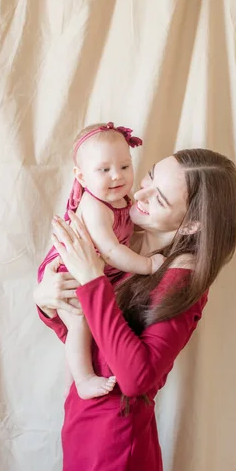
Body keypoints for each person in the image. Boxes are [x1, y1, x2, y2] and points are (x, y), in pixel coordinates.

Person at [34, 148, 236, 471]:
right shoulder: (132, 246)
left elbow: (136, 377)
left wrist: (93, 278)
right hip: (84, 431)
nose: (139, 195)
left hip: (115, 453)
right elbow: (96, 339)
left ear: (193, 225)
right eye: (148, 178)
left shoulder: (184, 277)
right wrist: (48, 299)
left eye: (159, 198)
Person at [39, 122, 164, 400]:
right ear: (81, 177)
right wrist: (147, 265)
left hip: (94, 272)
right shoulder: (95, 207)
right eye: (104, 170)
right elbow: (110, 251)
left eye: (124, 166)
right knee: (80, 323)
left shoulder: (120, 199)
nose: (116, 176)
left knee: (102, 319)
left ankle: (85, 374)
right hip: (67, 271)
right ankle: (83, 380)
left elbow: (131, 227)